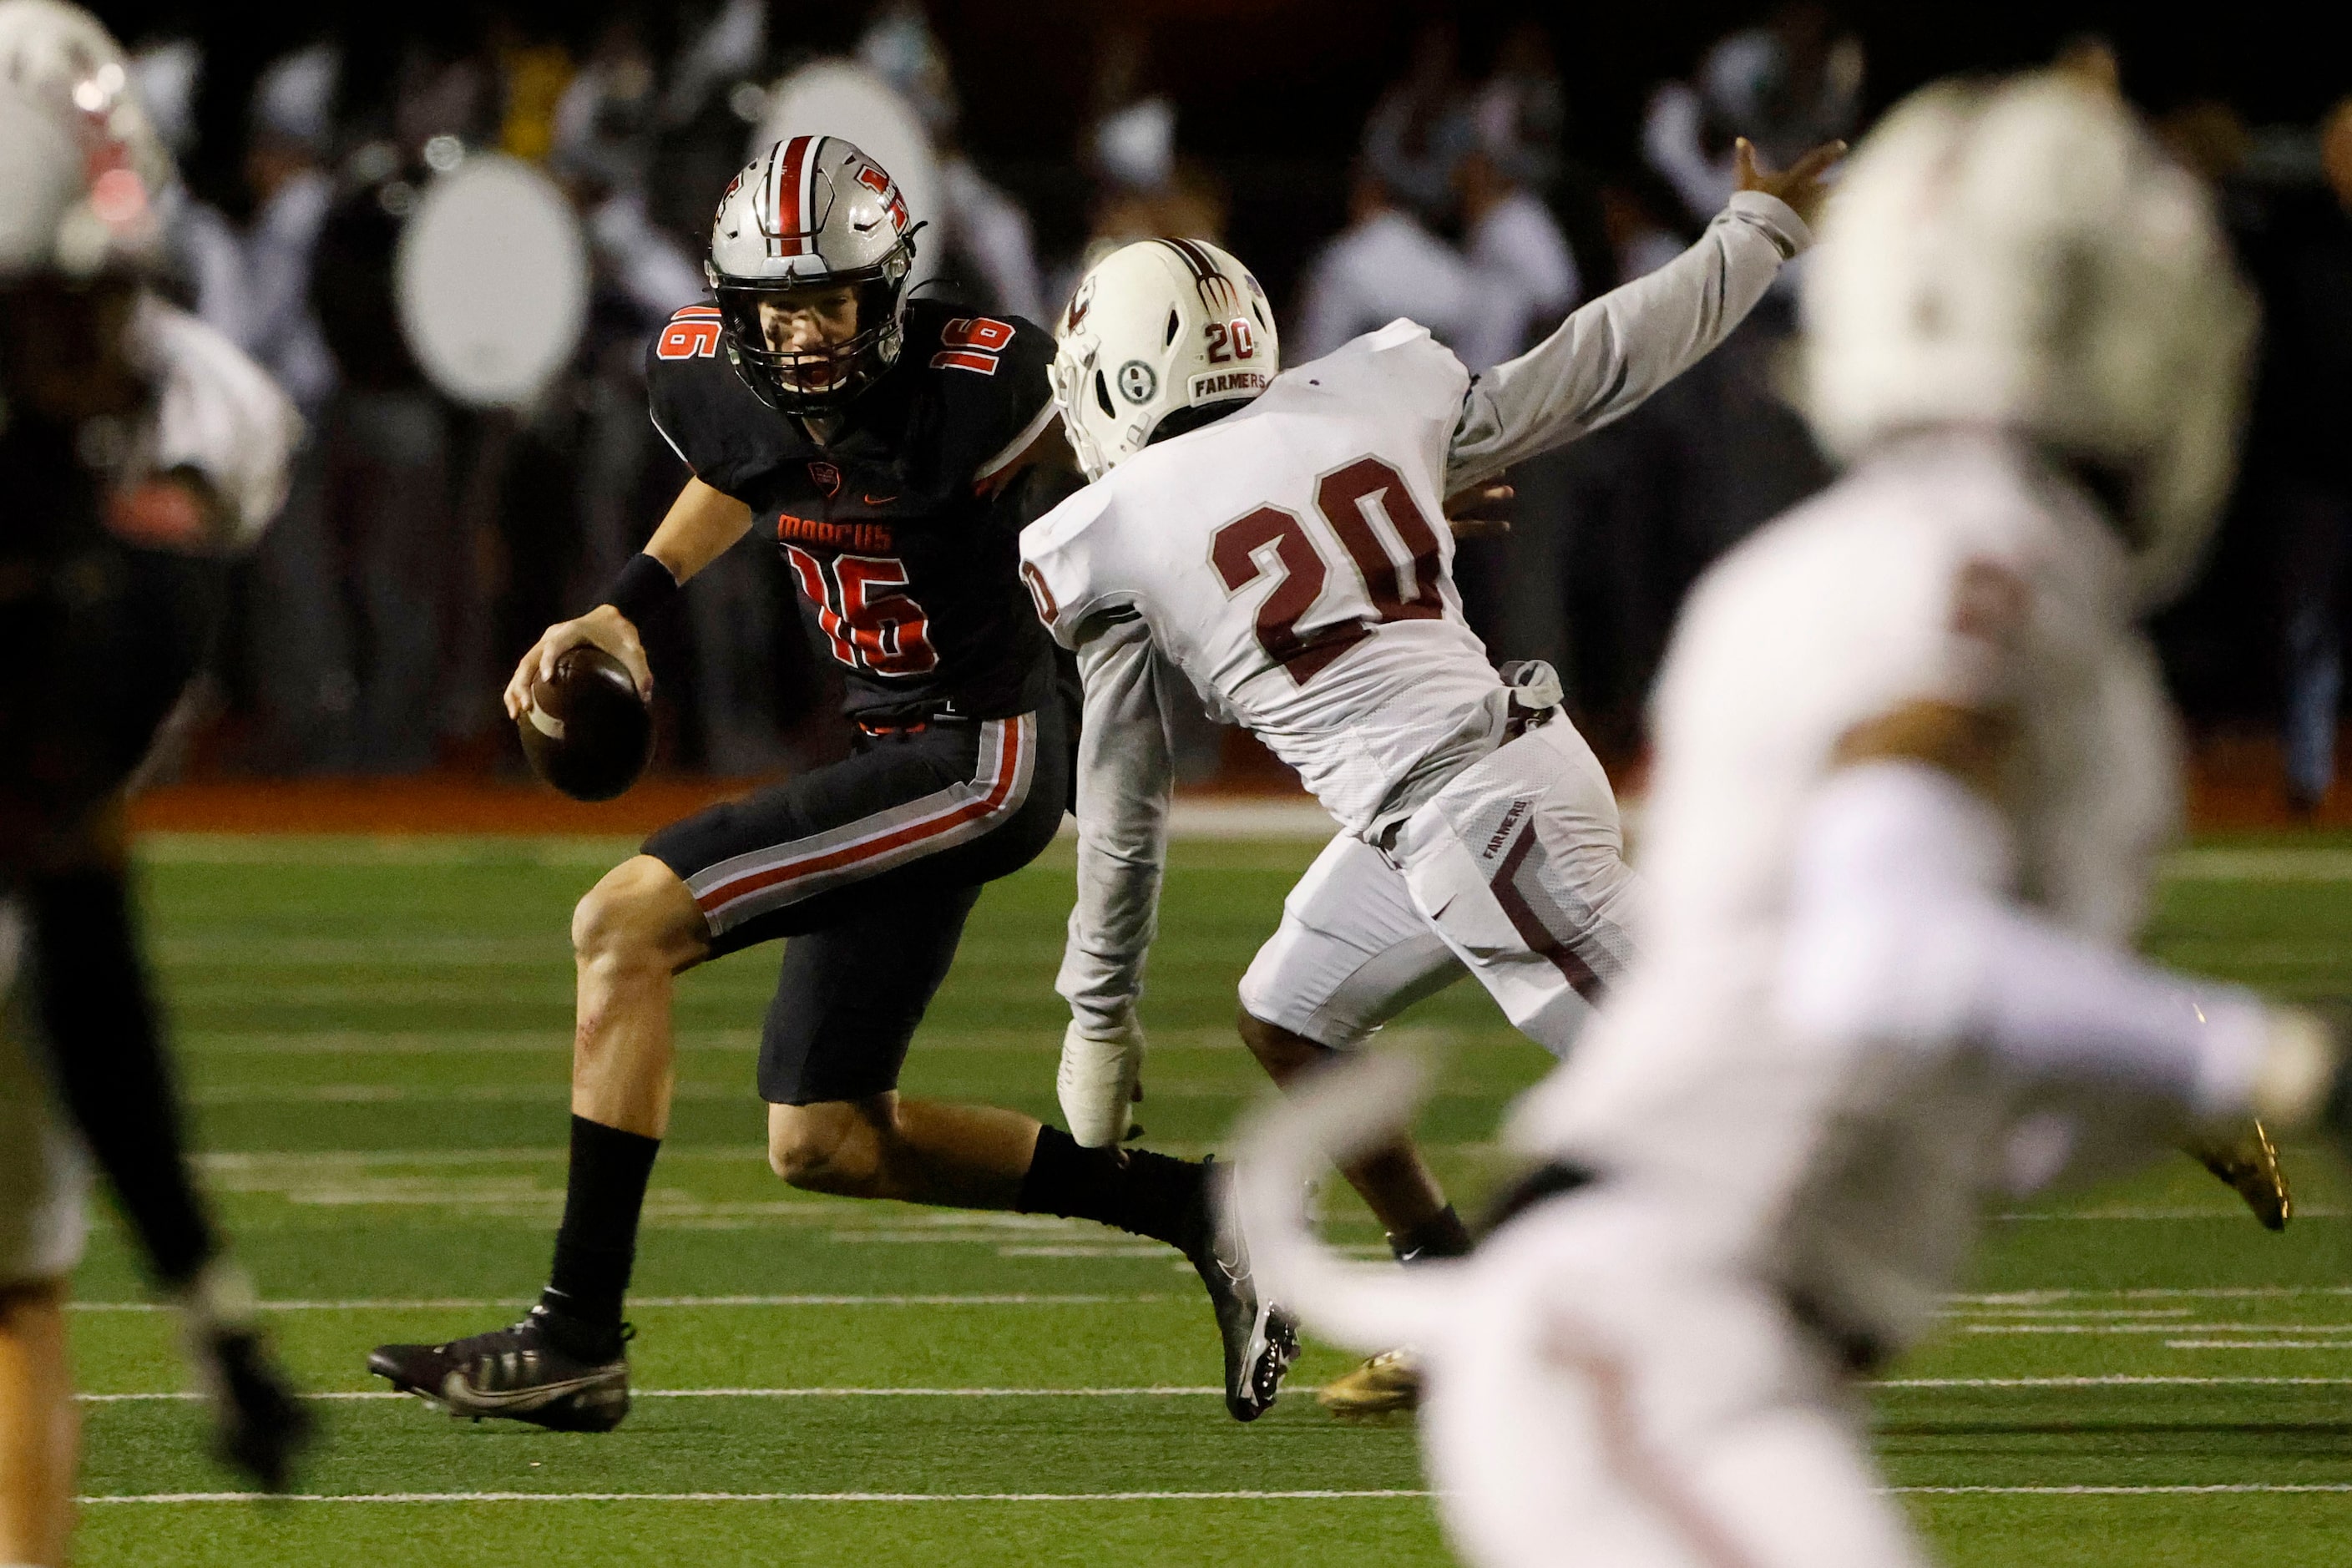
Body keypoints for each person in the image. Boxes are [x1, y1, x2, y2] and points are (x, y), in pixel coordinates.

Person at [1233, 74, 2324, 1568]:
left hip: (1699, 1332)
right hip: (1655, 1339)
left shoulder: (1893, 558)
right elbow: (1896, 952)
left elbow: (1923, 1047)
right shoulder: (1977, 557)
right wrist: (2277, 1056)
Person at [367, 134, 1297, 1433]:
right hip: (889, 747)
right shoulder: (709, 376)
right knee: (823, 1138)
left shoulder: (993, 380)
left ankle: (575, 1335)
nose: (803, 334)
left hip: (982, 749)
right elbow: (745, 469)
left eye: (830, 300)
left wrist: (1367, 489)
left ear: (890, 290)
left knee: (619, 926)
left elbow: (1174, 444)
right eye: (778, 306)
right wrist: (626, 607)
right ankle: (1201, 1206)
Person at [1019, 139, 1842, 1424]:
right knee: (1288, 1015)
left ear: (1124, 375)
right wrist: (1749, 236)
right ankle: (1442, 1285)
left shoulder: (1112, 535)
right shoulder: (1361, 403)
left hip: (1474, 826)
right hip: (1482, 774)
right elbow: (1591, 362)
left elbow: (1123, 811)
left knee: (1726, 1092)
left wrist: (1098, 1016)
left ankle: (2093, 1062)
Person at [0, 10, 312, 1552]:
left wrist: (209, 1305)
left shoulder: (120, 564)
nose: (103, 348)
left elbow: (80, 946)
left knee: (13, 1278)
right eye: (58, 306)